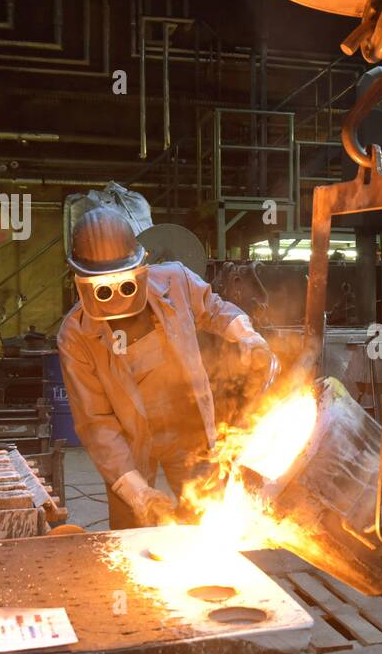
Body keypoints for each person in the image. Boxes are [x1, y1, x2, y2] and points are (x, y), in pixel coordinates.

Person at [57, 206, 275, 528]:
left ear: (141, 266)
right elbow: (96, 422)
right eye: (102, 288)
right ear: (81, 280)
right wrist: (137, 492)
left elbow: (214, 309)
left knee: (207, 518)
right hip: (129, 443)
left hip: (186, 430)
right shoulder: (76, 335)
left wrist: (246, 335)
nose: (115, 297)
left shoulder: (175, 281)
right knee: (131, 533)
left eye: (125, 284)